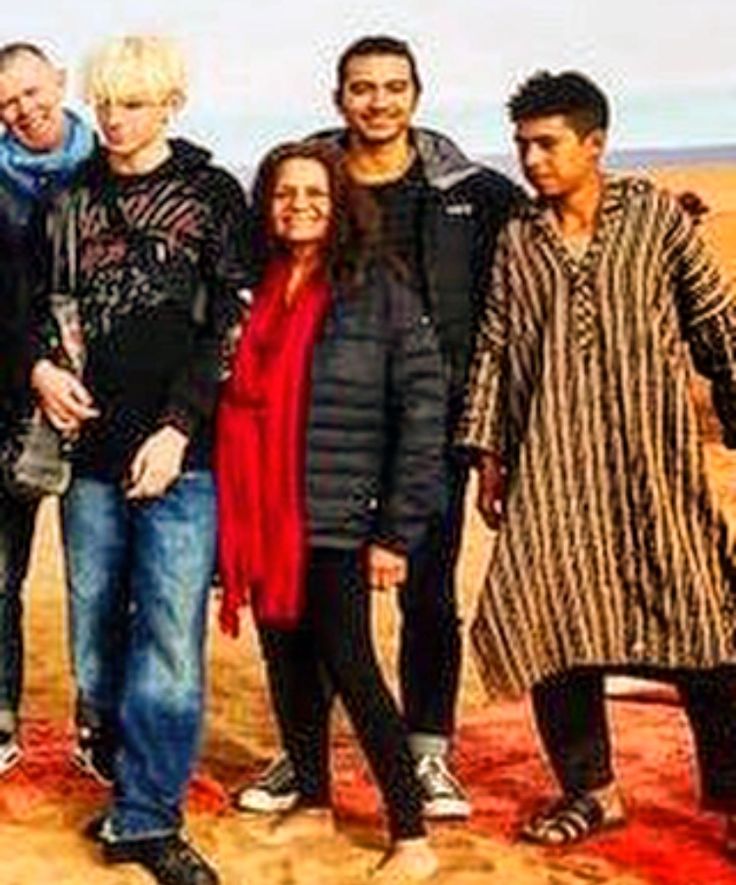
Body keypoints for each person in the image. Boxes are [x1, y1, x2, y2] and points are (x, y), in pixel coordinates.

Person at [236, 34, 522, 821]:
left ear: (417, 95)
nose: (379, 102)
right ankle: (305, 755)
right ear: (339, 99)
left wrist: (493, 435)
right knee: (320, 604)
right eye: (362, 88)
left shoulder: (471, 193)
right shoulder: (309, 186)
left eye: (394, 87)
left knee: (427, 592)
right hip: (324, 432)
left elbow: (522, 287)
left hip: (429, 426)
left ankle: (426, 753)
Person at [460, 69, 736, 855]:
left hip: (654, 463)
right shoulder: (520, 236)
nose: (533, 159)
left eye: (547, 143)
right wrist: (489, 453)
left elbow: (714, 316)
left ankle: (732, 793)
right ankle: (592, 789)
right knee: (547, 621)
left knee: (705, 623)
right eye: (522, 145)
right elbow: (497, 346)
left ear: (595, 143)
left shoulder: (652, 218)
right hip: (551, 467)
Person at [31, 36, 249, 885]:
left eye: (135, 102)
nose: (116, 119)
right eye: (107, 102)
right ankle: (131, 787)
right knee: (94, 648)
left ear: (170, 103)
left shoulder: (209, 193)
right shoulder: (68, 202)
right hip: (91, 458)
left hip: (181, 459)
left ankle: (150, 818)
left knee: (167, 642)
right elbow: (45, 310)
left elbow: (233, 317)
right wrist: (46, 368)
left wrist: (181, 427)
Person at [215, 139, 443, 880]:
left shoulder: (379, 287)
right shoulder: (262, 281)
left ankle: (411, 834)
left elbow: (422, 407)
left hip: (341, 511)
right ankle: (313, 798)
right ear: (267, 204)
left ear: (340, 201)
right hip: (265, 514)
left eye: (314, 192)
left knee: (351, 665)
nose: (299, 205)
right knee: (288, 664)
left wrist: (395, 528)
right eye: (284, 193)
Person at [0, 41, 95, 776]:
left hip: (102, 406)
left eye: (33, 92)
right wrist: (31, 366)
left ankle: (97, 727)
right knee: (1, 574)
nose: (25, 109)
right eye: (7, 103)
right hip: (10, 400)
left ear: (61, 83)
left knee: (97, 575)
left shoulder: (112, 168)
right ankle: (0, 717)